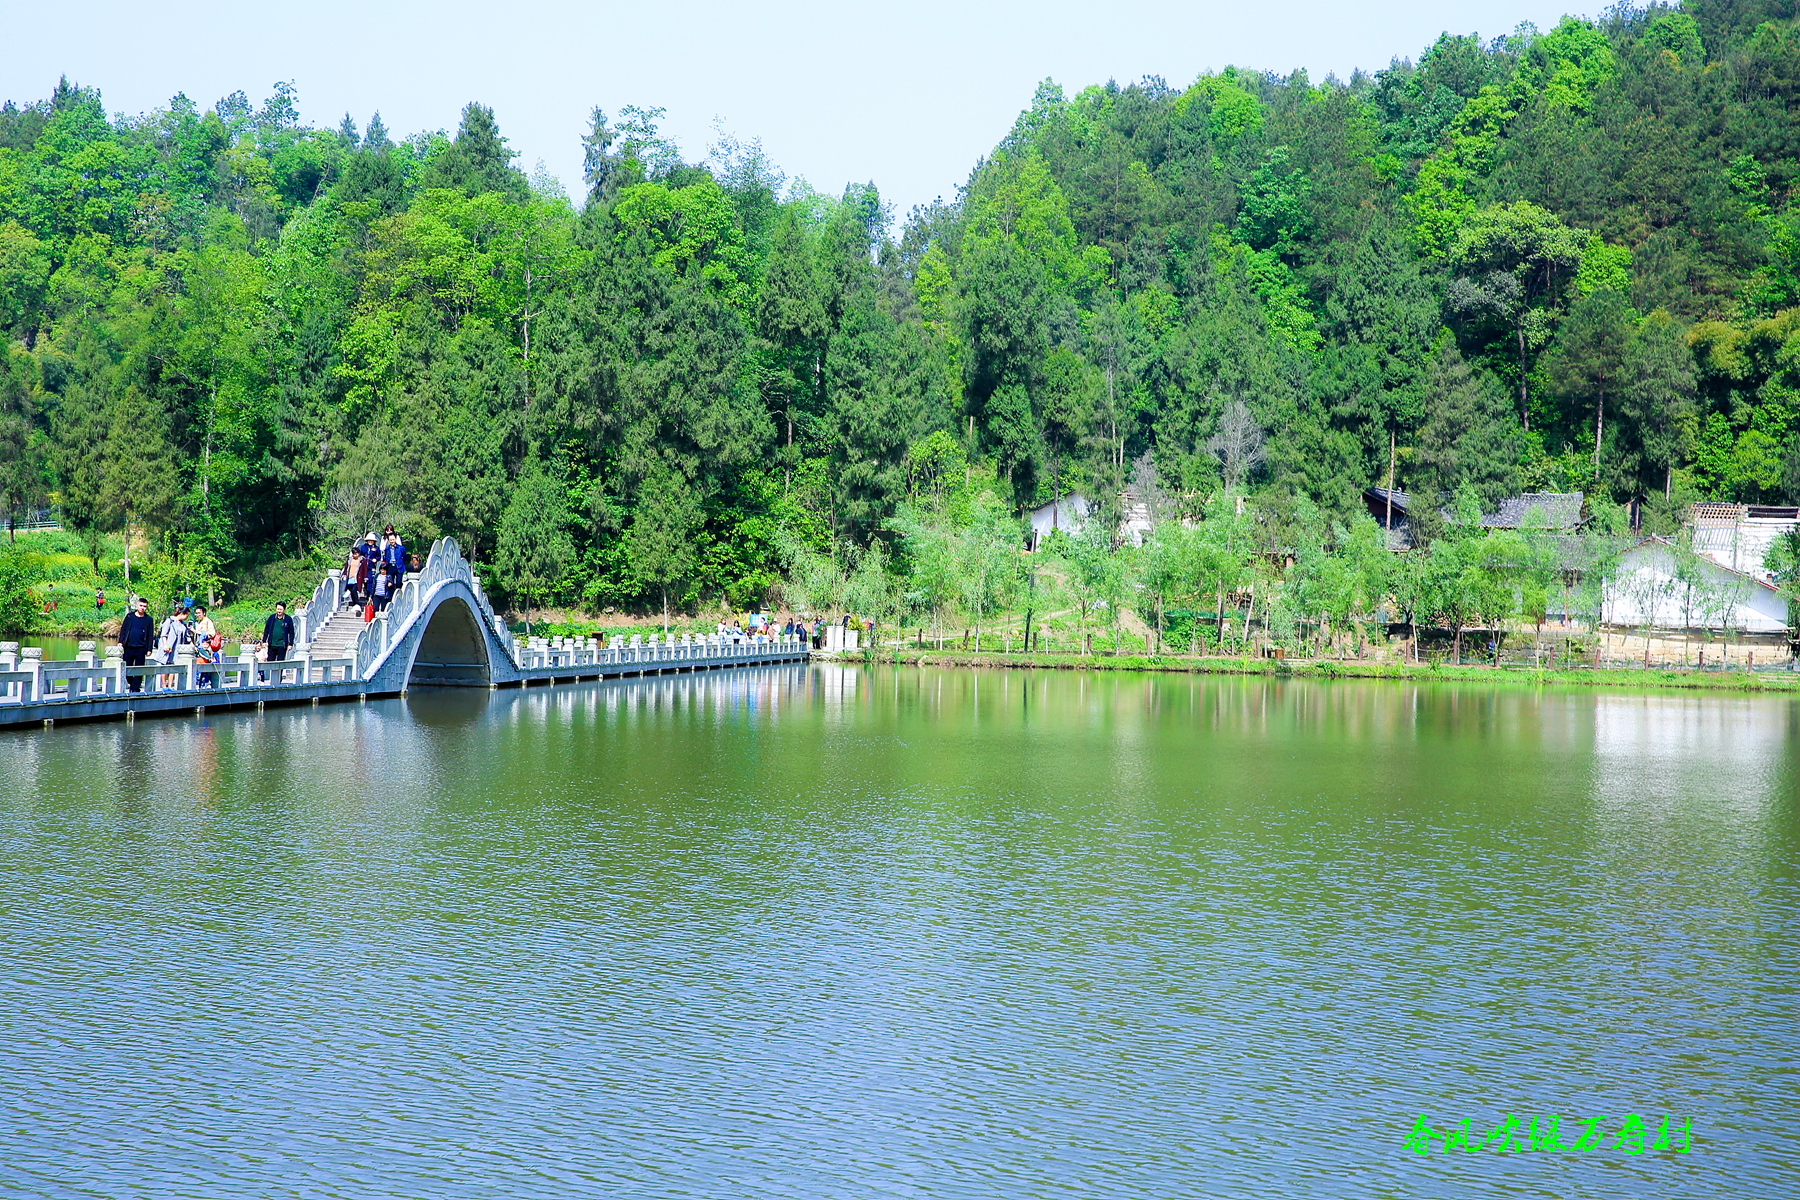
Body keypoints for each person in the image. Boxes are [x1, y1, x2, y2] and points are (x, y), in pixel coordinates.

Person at [119, 597, 153, 693]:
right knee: (127, 669)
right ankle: (132, 684)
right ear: (137, 605)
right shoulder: (130, 617)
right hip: (129, 647)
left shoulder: (148, 619)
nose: (142, 608)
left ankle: (135, 689)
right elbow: (123, 629)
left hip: (141, 648)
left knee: (139, 670)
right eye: (141, 606)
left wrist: (149, 648)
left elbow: (150, 634)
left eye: (145, 606)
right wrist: (120, 642)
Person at [261, 601, 295, 682]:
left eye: (281, 609)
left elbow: (291, 632)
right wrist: (264, 640)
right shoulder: (272, 618)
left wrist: (290, 643)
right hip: (272, 644)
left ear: (284, 610)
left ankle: (278, 680)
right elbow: (267, 629)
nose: (279, 611)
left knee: (280, 662)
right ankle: (267, 679)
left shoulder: (288, 619)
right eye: (278, 609)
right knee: (270, 661)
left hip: (282, 645)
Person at [192, 604, 219, 688]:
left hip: (206, 648)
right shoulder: (198, 623)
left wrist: (197, 631)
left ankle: (207, 682)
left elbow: (212, 633)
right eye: (196, 613)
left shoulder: (208, 621)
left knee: (206, 665)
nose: (197, 615)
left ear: (204, 613)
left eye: (199, 613)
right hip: (199, 647)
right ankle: (201, 683)